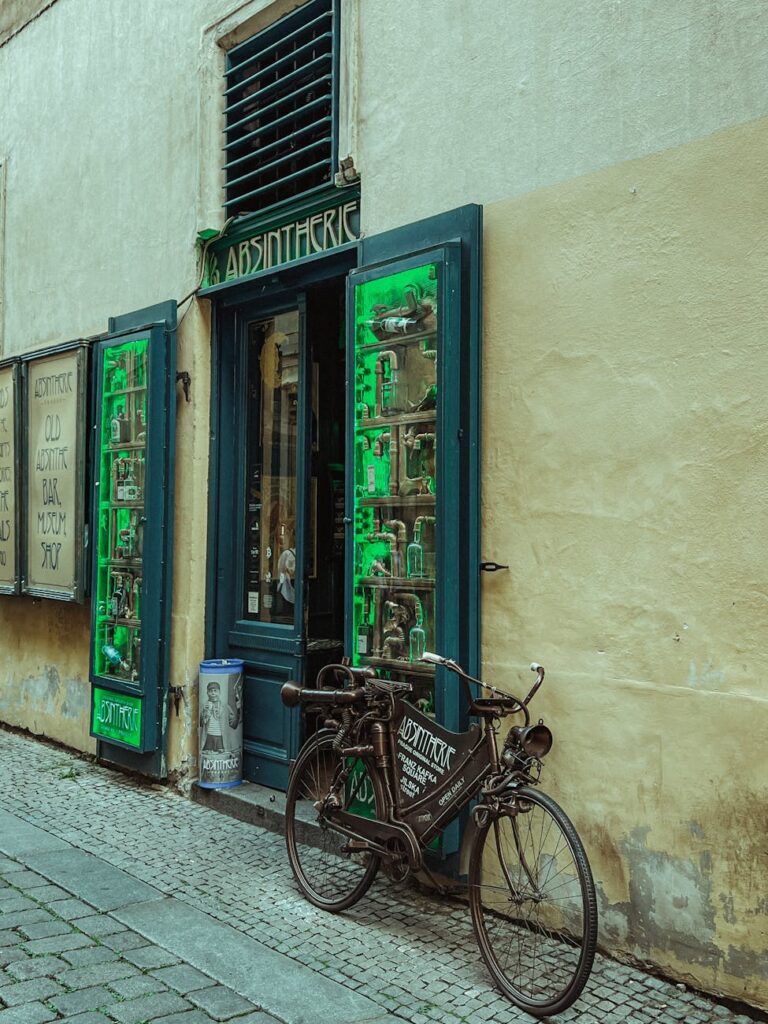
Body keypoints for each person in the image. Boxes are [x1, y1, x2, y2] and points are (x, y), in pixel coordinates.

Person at [200, 680, 239, 752]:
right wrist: (205, 712)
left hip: (221, 738)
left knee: (221, 756)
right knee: (207, 757)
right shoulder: (204, 706)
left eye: (215, 691)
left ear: (219, 692)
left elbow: (234, 724)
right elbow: (201, 723)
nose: (213, 693)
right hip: (208, 738)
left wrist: (238, 709)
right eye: (211, 691)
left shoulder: (225, 707)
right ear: (207, 693)